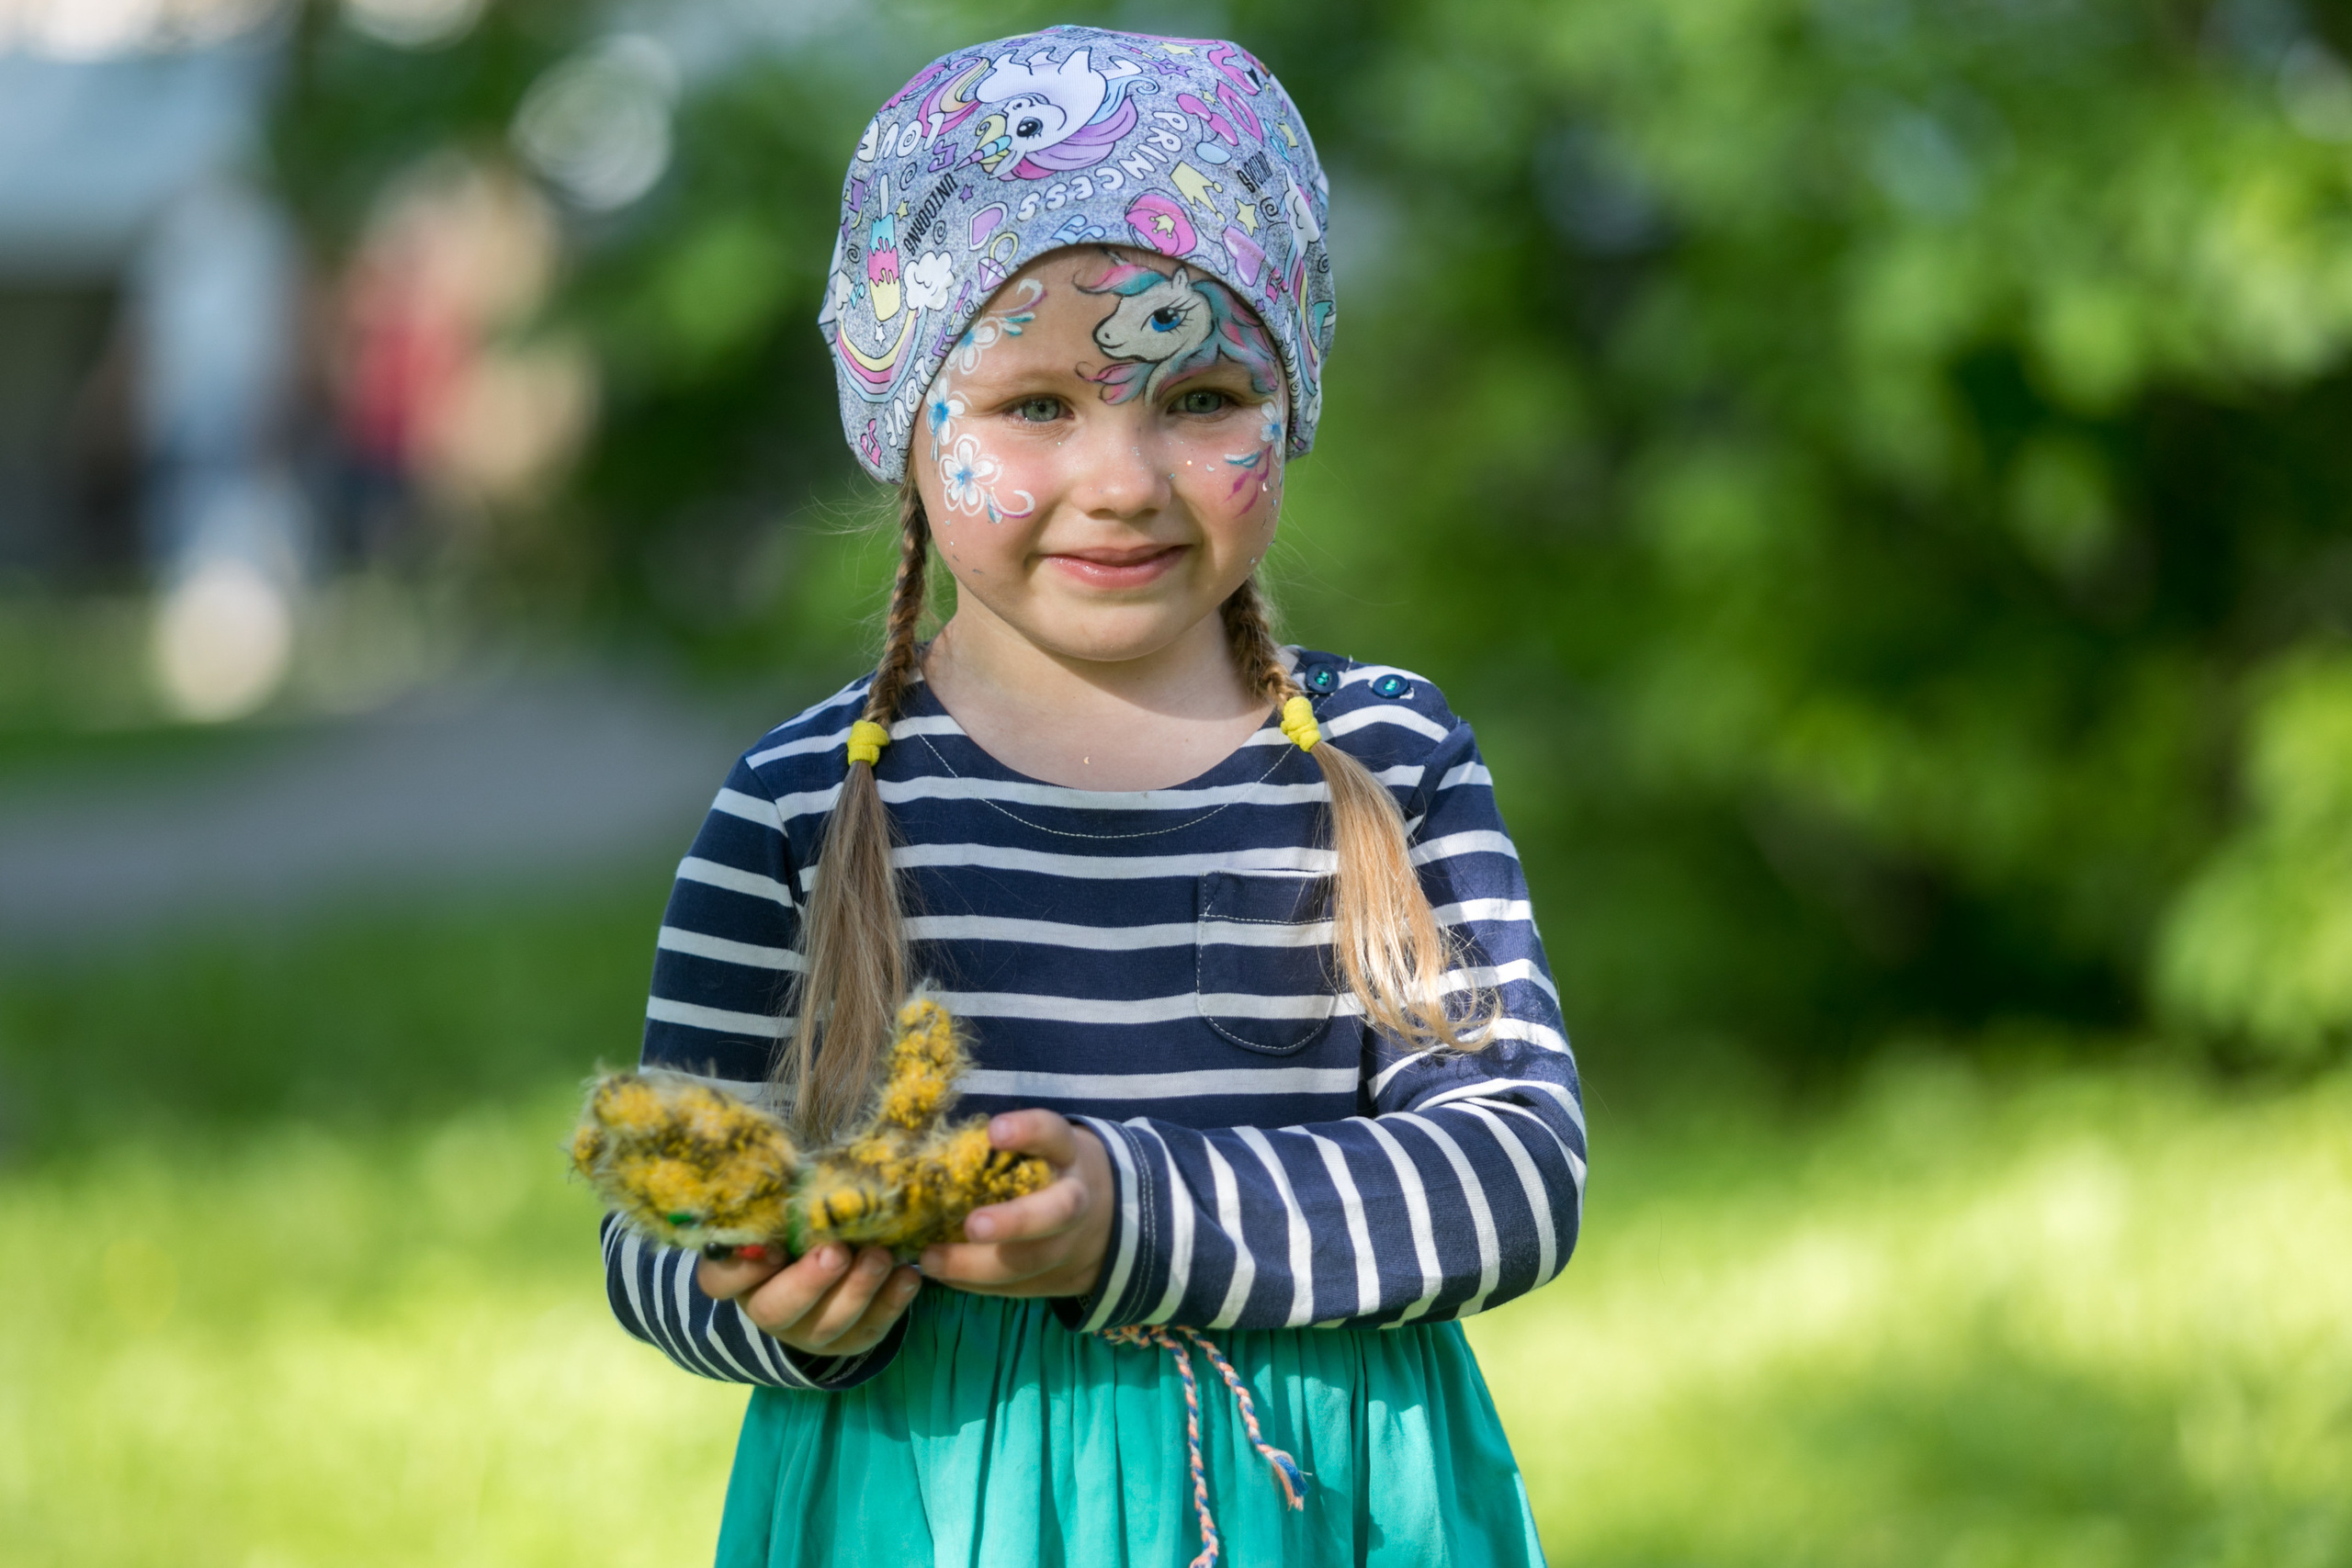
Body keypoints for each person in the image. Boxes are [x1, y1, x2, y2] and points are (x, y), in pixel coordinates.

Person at [601, 25, 1584, 1566]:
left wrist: (1134, 1218)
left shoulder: (1386, 761)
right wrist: (764, 1291)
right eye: (1037, 406)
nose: (1123, 480)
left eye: (1202, 397)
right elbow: (662, 1213)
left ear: (1291, 398)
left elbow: (1515, 1171)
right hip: (932, 1508)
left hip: (1323, 1510)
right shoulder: (804, 807)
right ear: (902, 419)